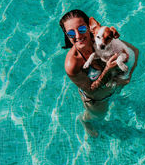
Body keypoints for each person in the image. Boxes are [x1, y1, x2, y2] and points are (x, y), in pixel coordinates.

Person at [59, 9, 139, 137]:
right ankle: (85, 121)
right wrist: (108, 69)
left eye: (82, 30)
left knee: (119, 101)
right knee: (98, 117)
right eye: (71, 33)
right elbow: (91, 90)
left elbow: (134, 51)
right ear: (66, 35)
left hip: (115, 86)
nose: (78, 36)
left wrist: (127, 77)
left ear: (89, 28)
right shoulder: (72, 63)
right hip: (97, 100)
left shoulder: (101, 37)